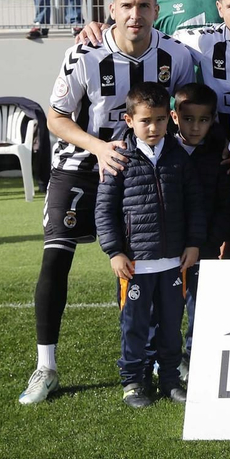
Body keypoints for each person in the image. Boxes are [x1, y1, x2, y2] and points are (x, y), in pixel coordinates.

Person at [20, 0, 200, 406]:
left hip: (145, 172)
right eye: (126, 6)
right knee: (55, 258)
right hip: (82, 164)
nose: (135, 14)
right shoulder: (83, 54)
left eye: (143, 6)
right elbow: (56, 117)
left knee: (156, 265)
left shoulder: (176, 56)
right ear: (112, 10)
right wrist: (100, 148)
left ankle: (160, 361)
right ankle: (46, 366)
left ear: (157, 10)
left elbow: (181, 114)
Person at [95, 81, 203, 408]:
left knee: (171, 326)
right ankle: (133, 381)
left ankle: (169, 378)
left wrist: (193, 244)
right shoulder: (118, 159)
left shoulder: (178, 157)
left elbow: (194, 205)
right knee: (135, 326)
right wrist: (115, 251)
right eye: (145, 120)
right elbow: (104, 210)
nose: (153, 127)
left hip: (173, 262)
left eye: (159, 119)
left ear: (169, 118)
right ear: (129, 121)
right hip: (135, 266)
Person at [169, 81, 229, 373]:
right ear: (175, 117)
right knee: (166, 305)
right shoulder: (163, 151)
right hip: (166, 245)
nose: (195, 127)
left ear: (212, 120)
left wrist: (213, 239)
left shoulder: (219, 157)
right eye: (189, 119)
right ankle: (164, 356)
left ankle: (194, 354)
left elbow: (224, 203)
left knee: (199, 302)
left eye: (203, 120)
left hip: (203, 244)